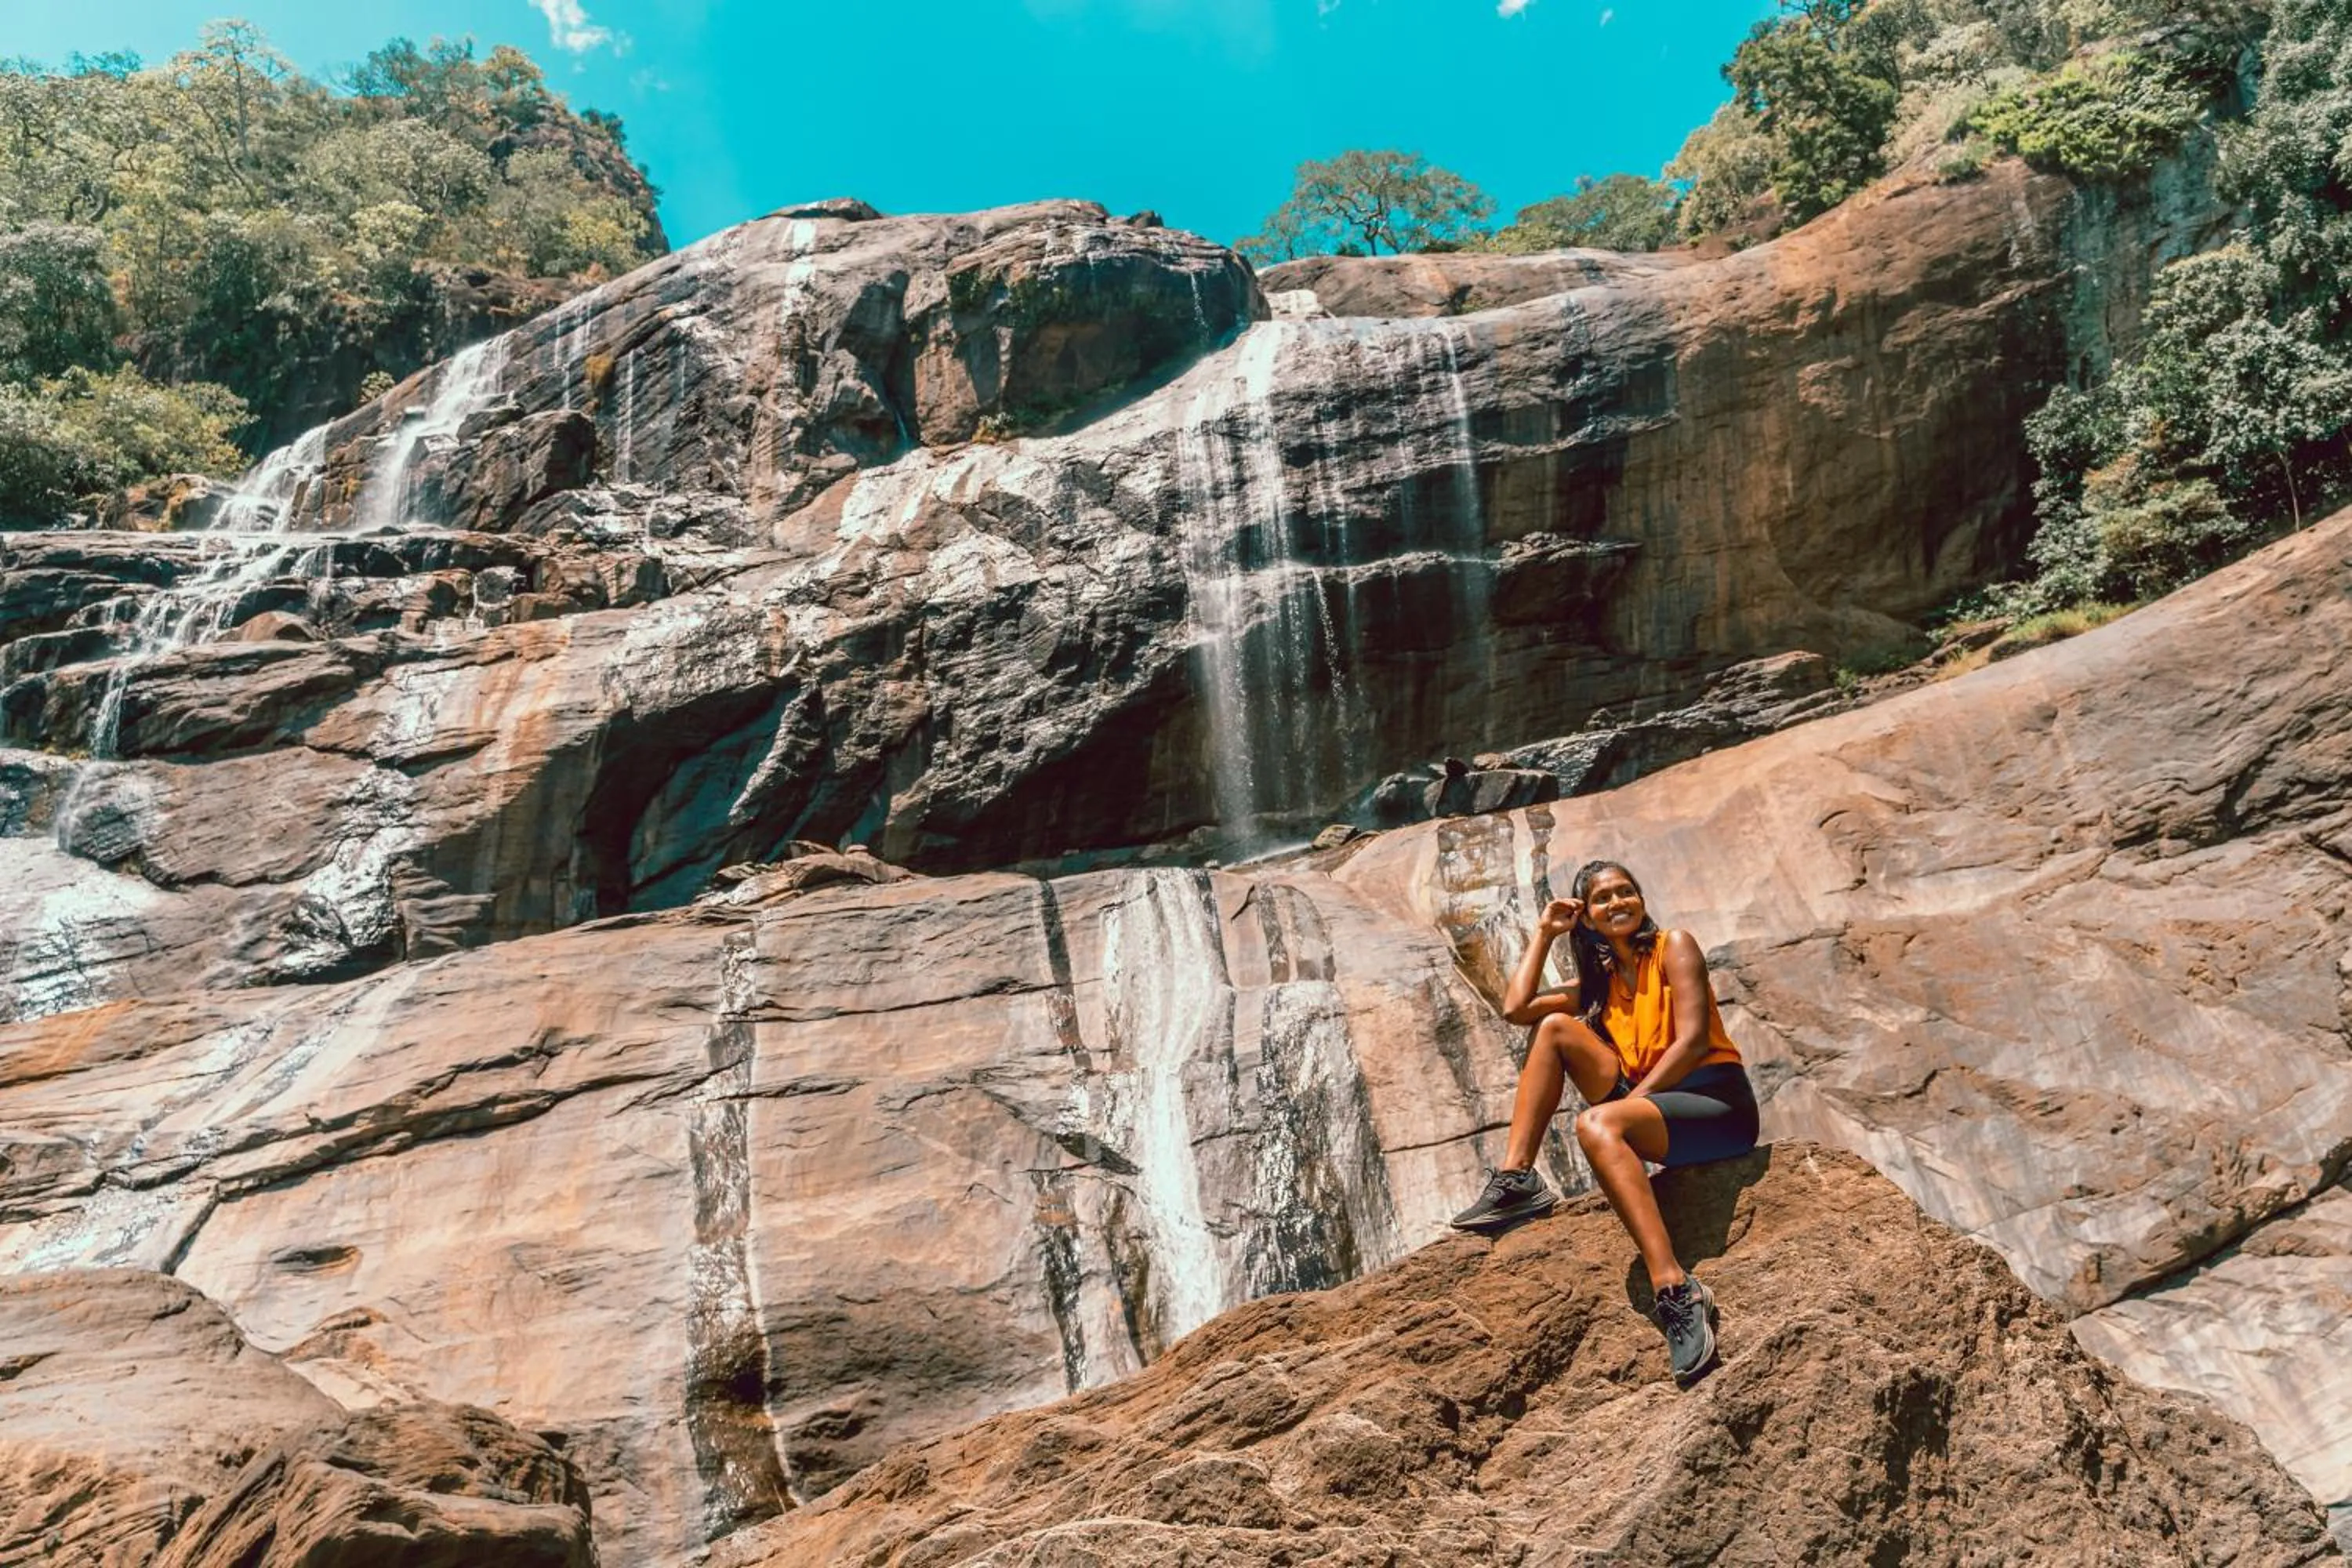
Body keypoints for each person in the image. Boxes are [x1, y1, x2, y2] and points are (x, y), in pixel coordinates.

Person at [1447, 859, 1760, 1385]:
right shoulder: (1602, 981)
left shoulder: (1674, 946)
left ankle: (1675, 1289)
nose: (1618, 903)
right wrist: (1546, 933)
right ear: (1586, 917)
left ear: (1641, 900)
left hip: (1715, 1107)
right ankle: (1518, 1179)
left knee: (1597, 1125)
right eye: (1603, 899)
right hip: (1653, 1108)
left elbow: (1692, 1041)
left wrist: (1630, 1104)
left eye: (1626, 892)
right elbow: (1515, 1007)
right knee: (1552, 1028)